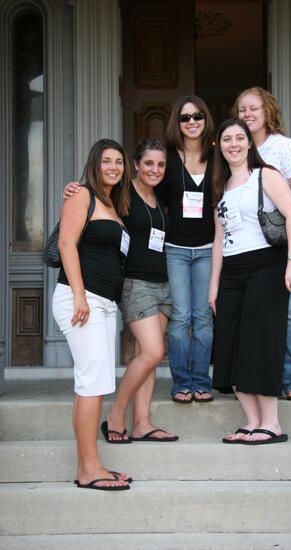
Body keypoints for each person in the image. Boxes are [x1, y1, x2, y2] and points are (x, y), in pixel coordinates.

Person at [64, 138, 178, 442]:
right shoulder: (122, 192)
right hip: (134, 282)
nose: (155, 170)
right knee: (154, 352)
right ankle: (117, 412)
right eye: (148, 163)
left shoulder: (160, 195)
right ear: (136, 166)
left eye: (161, 164)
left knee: (146, 355)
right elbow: (92, 201)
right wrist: (72, 188)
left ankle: (142, 422)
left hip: (163, 283)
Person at [209, 118, 291, 444]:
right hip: (232, 272)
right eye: (226, 139)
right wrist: (214, 286)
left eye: (239, 138)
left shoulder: (267, 175)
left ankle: (272, 423)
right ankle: (251, 421)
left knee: (259, 341)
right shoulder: (222, 186)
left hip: (267, 265)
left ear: (250, 143)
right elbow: (219, 240)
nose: (233, 144)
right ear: (219, 147)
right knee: (230, 345)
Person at [52, 139, 132, 490]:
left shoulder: (113, 204)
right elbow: (66, 244)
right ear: (94, 164)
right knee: (93, 384)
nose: (113, 166)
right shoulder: (81, 194)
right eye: (106, 161)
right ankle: (90, 469)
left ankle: (88, 464)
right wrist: (81, 296)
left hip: (103, 302)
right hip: (80, 299)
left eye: (118, 161)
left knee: (91, 383)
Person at [232, 86, 291, 400]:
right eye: (242, 110)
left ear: (267, 111)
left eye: (253, 108)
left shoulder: (284, 148)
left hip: (281, 242)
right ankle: (255, 378)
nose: (247, 115)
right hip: (244, 245)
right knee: (249, 315)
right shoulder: (235, 147)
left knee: (289, 312)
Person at [158, 95, 216, 403]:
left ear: (206, 120)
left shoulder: (218, 157)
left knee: (203, 317)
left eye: (197, 116)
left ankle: (201, 382)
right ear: (177, 123)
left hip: (208, 248)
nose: (191, 122)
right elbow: (145, 193)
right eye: (185, 117)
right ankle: (181, 382)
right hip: (176, 249)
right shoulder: (165, 158)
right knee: (180, 317)